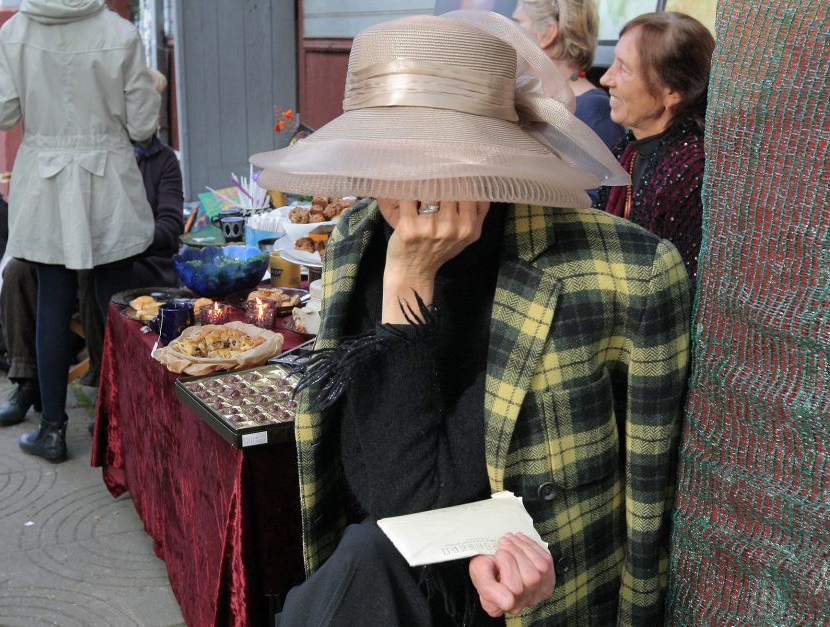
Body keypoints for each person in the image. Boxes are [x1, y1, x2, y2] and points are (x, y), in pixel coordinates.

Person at [250, 10, 691, 626]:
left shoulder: (627, 271)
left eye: (431, 148)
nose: (402, 176)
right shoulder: (363, 236)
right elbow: (393, 496)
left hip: (541, 599)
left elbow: (650, 494)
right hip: (394, 584)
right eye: (384, 146)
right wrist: (409, 282)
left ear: (492, 150)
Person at [0, 0, 161, 462]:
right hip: (108, 186)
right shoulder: (119, 32)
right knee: (119, 307)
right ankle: (131, 423)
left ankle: (52, 430)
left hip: (45, 184)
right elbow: (143, 125)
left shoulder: (17, 31)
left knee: (51, 303)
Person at [0, 70, 184, 427]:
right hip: (74, 251)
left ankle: (103, 386)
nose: (148, 119)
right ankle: (27, 380)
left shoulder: (163, 161)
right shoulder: (97, 152)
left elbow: (170, 229)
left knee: (99, 272)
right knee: (18, 270)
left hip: (140, 261)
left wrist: (122, 236)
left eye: (152, 110)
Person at [595, 12, 714, 285]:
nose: (606, 79)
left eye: (624, 68)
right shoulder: (625, 150)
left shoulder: (692, 171)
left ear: (673, 91)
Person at [512, 0, 624, 152]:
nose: (508, 34)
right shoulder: (525, 98)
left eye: (517, 24)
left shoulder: (596, 114)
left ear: (547, 33)